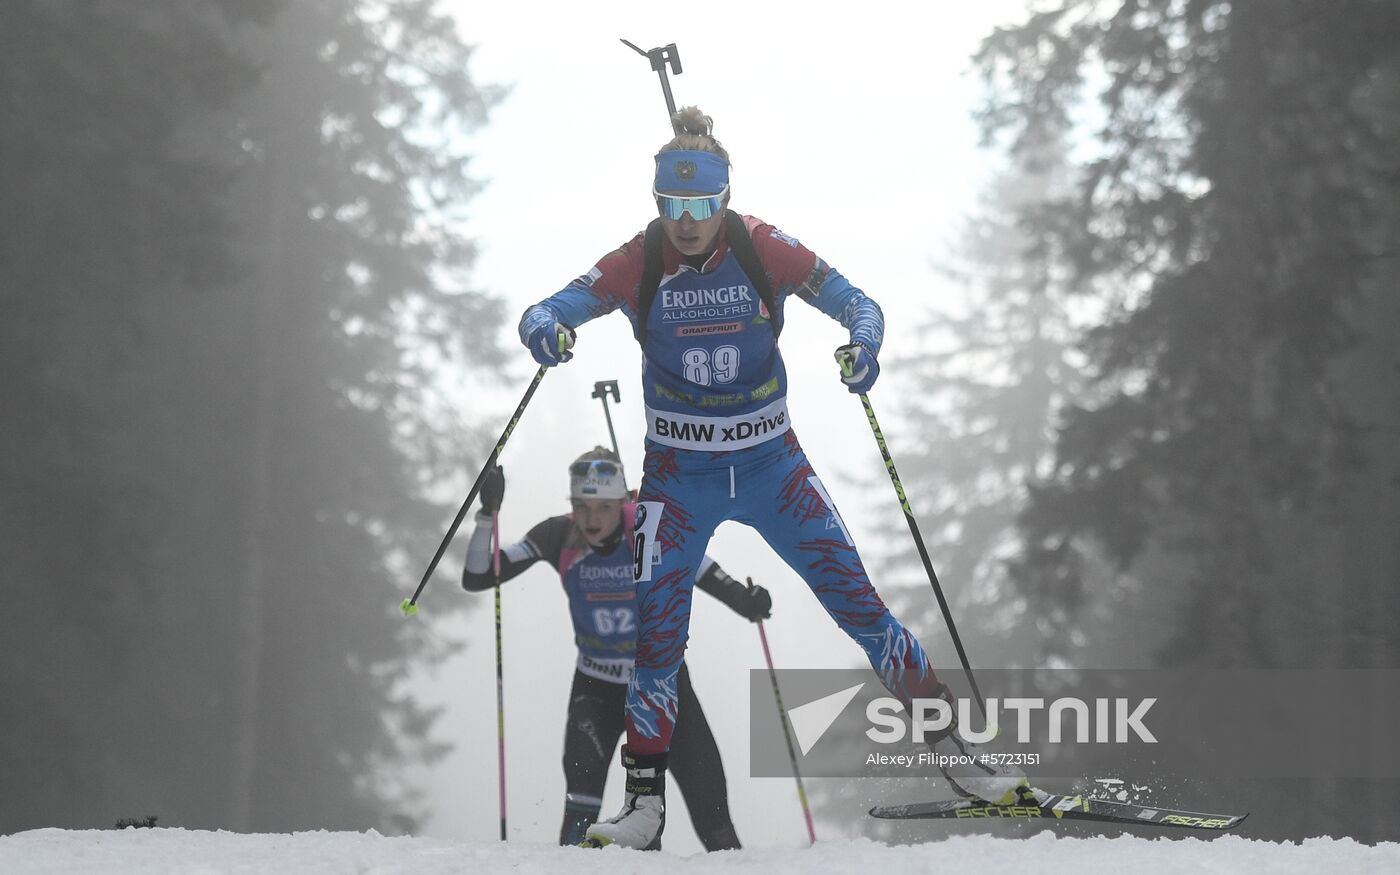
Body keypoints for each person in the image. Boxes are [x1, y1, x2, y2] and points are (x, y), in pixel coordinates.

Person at [516, 107, 1039, 849]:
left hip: (773, 468)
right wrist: (547, 328)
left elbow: (859, 301)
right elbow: (550, 306)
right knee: (655, 638)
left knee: (862, 610)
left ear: (725, 199)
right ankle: (644, 807)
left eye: (702, 206)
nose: (688, 221)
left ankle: (964, 762)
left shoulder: (765, 247)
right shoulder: (640, 259)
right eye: (673, 206)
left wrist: (863, 346)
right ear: (657, 203)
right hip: (677, 478)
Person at [460, 446, 771, 850]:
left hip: (661, 686)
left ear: (622, 501)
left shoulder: (647, 528)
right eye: (582, 506)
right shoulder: (558, 534)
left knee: (712, 810)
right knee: (579, 813)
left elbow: (705, 571)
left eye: (604, 507)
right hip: (596, 687)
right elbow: (477, 576)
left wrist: (746, 600)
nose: (591, 519)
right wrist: (488, 513)